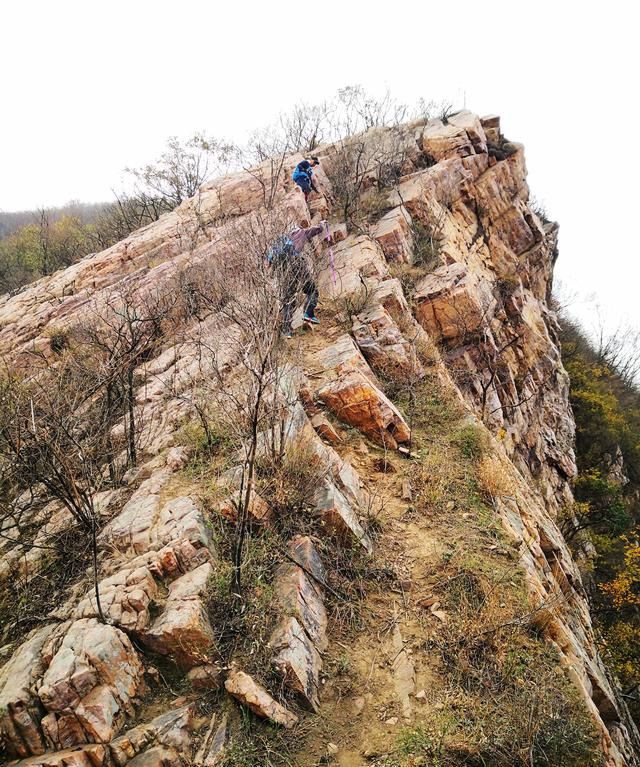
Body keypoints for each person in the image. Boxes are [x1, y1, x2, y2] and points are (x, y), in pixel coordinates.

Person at [267, 223, 325, 337]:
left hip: (284, 270)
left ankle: (286, 330)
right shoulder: (301, 233)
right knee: (311, 290)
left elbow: (269, 261)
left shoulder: (280, 241)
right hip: (297, 264)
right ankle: (308, 314)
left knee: (288, 300)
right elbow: (315, 230)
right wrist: (322, 225)